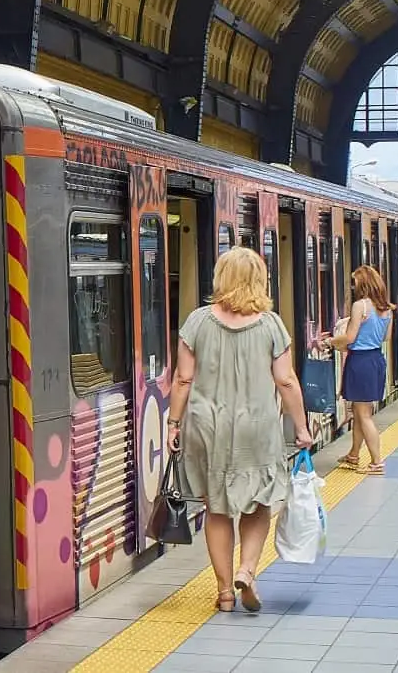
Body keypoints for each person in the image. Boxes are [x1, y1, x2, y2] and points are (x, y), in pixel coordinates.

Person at [166, 247, 312, 614]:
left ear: (221, 278)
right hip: (257, 427)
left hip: (206, 426)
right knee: (258, 503)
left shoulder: (197, 322)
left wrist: (172, 423)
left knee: (217, 509)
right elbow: (286, 380)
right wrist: (302, 427)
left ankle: (224, 593)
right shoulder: (271, 324)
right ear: (258, 280)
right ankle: (247, 570)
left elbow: (183, 379)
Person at [317, 265, 394, 476]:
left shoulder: (360, 306)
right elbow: (386, 338)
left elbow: (349, 338)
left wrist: (330, 342)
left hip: (360, 362)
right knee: (361, 412)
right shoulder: (387, 309)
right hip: (376, 359)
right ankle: (353, 455)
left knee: (363, 414)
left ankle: (377, 461)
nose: (352, 286)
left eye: (355, 282)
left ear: (364, 283)